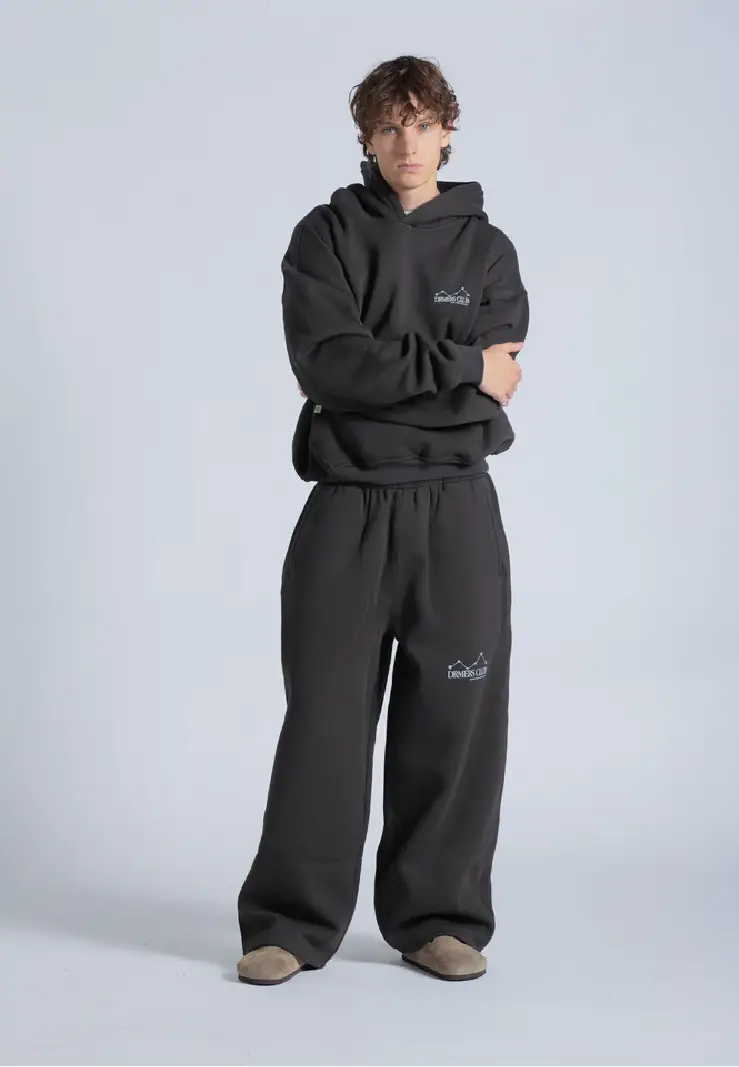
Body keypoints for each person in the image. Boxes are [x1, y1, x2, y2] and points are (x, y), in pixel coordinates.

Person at [236, 54, 529, 986]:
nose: (408, 143)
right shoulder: (324, 236)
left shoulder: (488, 252)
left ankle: (437, 918)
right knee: (323, 722)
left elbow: (495, 393)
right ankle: (290, 921)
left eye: (423, 124)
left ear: (448, 132)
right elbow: (330, 368)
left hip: (457, 511)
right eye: (389, 125)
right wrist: (459, 366)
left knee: (454, 721)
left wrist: (394, 377)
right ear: (365, 136)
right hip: (347, 508)